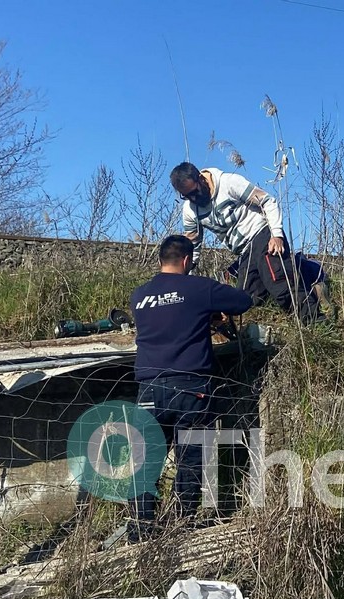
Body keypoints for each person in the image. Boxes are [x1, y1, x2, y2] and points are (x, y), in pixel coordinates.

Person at [129, 235, 254, 539]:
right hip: (190, 387)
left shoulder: (139, 296)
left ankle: (140, 531)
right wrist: (210, 312)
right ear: (186, 261)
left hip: (148, 387)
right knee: (190, 459)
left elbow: (169, 318)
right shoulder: (198, 287)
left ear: (161, 260)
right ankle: (182, 528)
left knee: (146, 462)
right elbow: (243, 301)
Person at [170, 161, 321, 324]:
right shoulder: (190, 210)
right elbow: (193, 244)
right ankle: (299, 268)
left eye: (194, 192)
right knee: (246, 300)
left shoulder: (229, 183)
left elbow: (268, 201)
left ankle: (314, 320)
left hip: (263, 234)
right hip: (244, 252)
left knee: (280, 283)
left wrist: (276, 235)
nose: (193, 198)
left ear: (201, 179)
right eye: (186, 196)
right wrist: (183, 276)